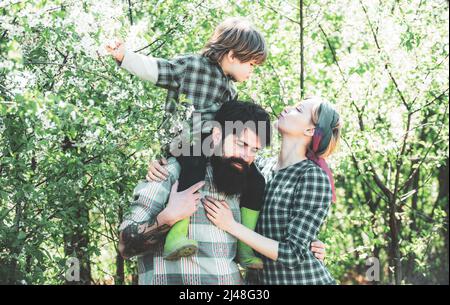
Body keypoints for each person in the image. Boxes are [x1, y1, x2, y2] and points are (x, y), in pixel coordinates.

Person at [108, 17, 268, 269]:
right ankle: (176, 236)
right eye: (251, 63)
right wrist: (125, 57)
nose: (252, 70)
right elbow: (160, 70)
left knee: (256, 180)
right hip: (187, 143)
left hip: (207, 148)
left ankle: (244, 250)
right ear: (233, 55)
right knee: (193, 173)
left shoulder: (230, 88)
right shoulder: (193, 66)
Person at [119, 101, 325, 284]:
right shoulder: (172, 173)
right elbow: (124, 246)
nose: (246, 156)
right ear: (217, 135)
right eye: (241, 144)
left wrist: (311, 247)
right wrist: (170, 216)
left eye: (254, 150)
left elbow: (270, 240)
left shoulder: (247, 185)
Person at [203, 97, 341, 284]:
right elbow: (218, 155)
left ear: (310, 130)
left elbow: (293, 254)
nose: (287, 108)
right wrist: (166, 163)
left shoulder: (312, 176)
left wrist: (232, 226)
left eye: (298, 109)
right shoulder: (258, 167)